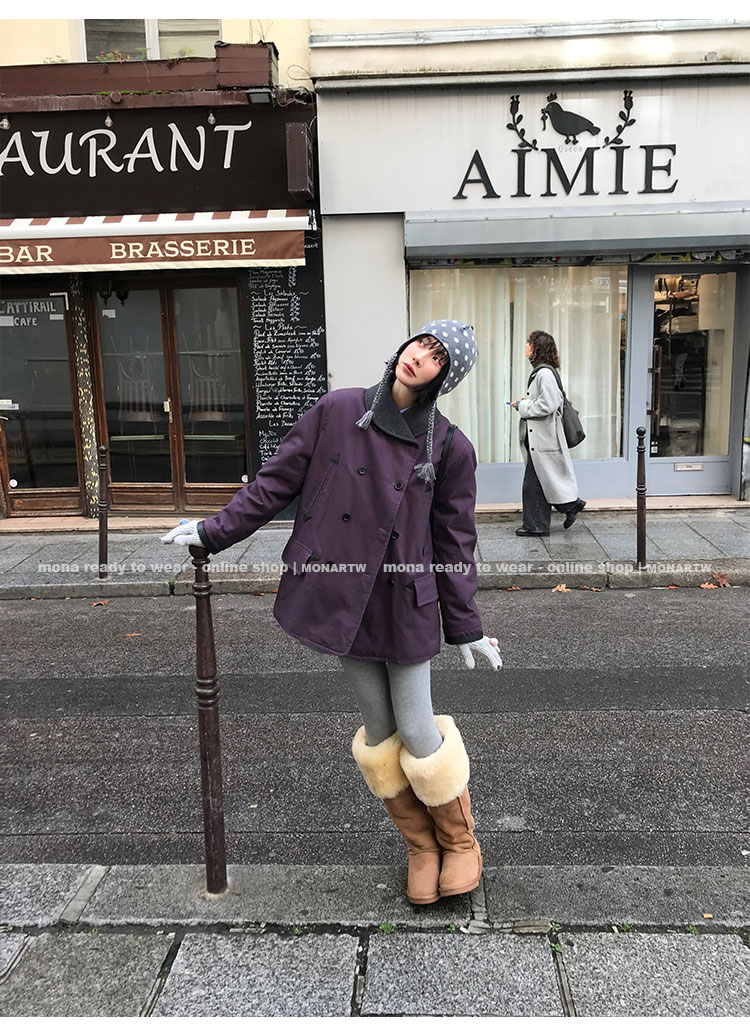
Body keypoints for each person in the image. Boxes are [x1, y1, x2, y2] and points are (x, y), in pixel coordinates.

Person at [162, 320, 502, 906]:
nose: (420, 357)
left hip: (404, 597)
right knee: (379, 730)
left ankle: (460, 842)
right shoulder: (339, 410)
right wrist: (214, 531)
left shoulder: (449, 446)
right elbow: (275, 483)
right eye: (420, 343)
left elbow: (455, 540)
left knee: (417, 727)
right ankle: (421, 847)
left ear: (444, 378)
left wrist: (466, 624)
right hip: (343, 594)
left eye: (437, 357)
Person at [510, 330, 586, 537]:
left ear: (537, 348)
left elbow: (549, 403)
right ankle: (568, 507)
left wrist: (523, 406)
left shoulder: (544, 373)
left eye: (529, 343)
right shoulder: (542, 372)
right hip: (541, 436)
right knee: (540, 480)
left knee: (533, 483)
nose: (526, 346)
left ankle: (538, 525)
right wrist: (526, 403)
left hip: (543, 437)